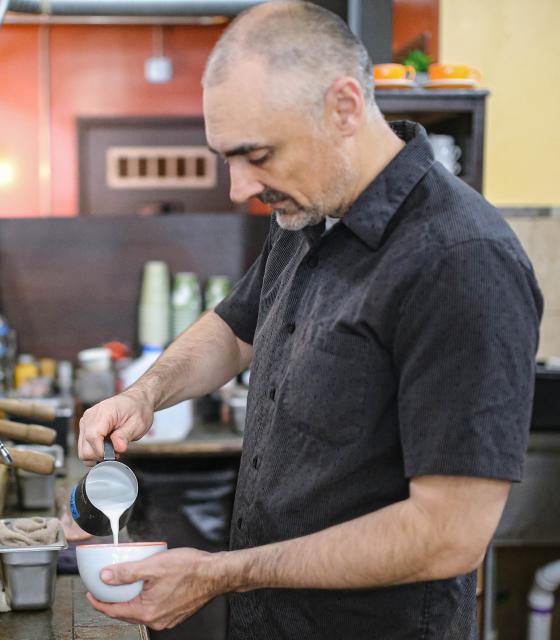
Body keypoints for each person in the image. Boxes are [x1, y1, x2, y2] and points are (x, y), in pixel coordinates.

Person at [77, 2, 543, 638]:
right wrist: (145, 392)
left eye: (258, 155)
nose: (240, 188)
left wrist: (220, 573)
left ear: (345, 108)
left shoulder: (460, 260)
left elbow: (448, 535)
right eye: (227, 159)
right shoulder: (309, 209)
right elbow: (235, 329)